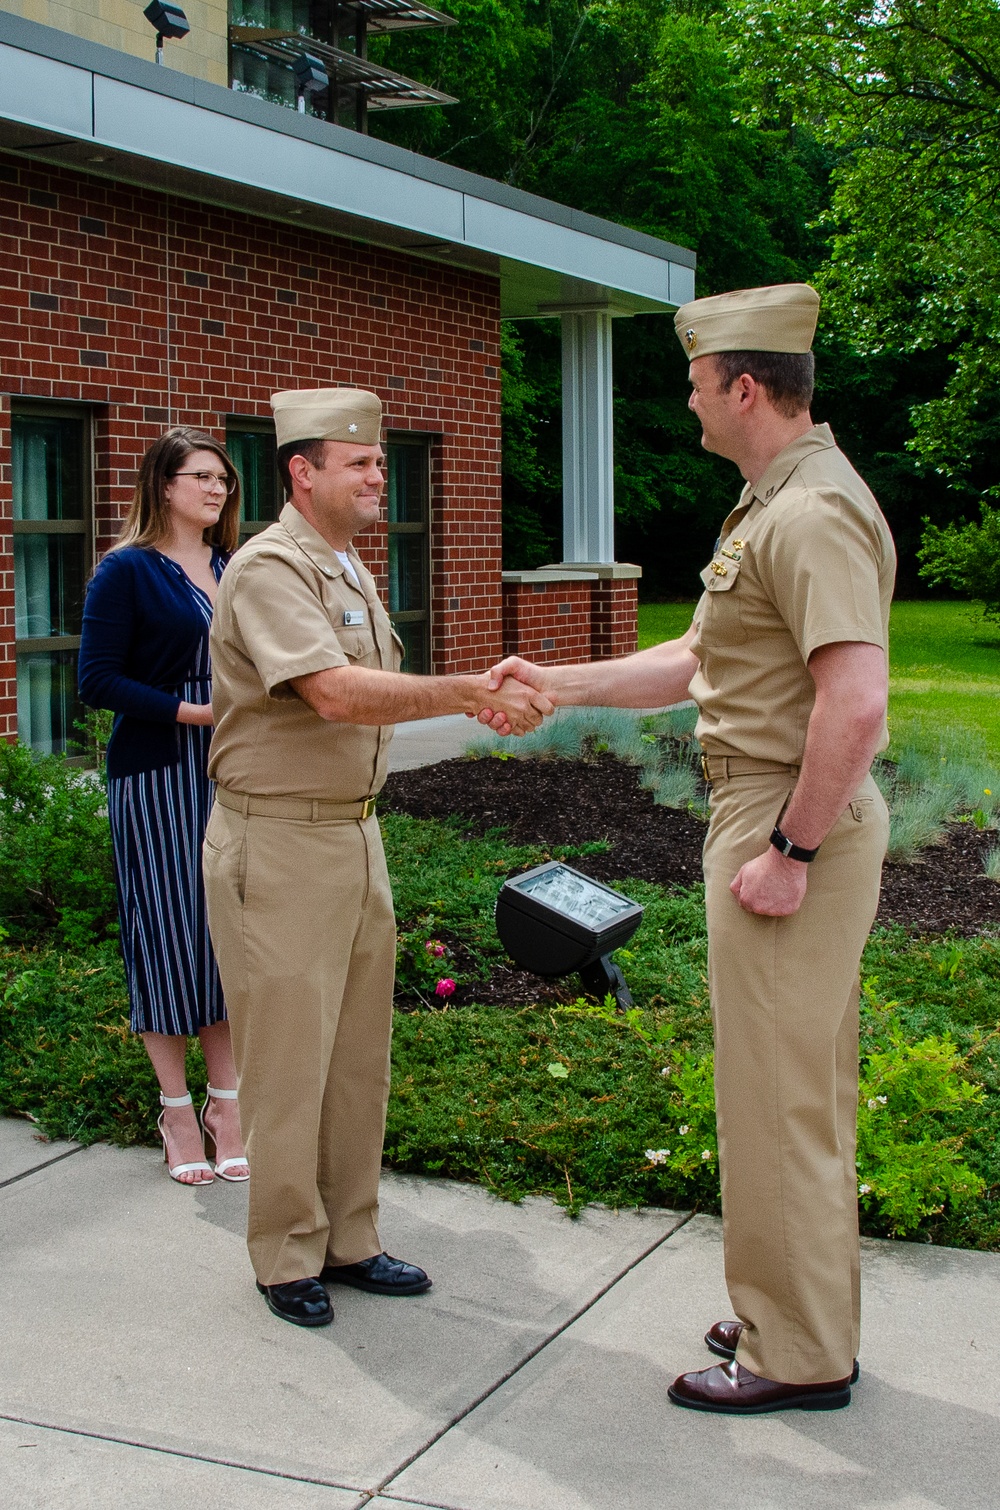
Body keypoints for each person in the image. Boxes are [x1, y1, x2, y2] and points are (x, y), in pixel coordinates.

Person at [482, 284, 895, 1414]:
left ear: (744, 387)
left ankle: (796, 1351)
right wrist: (555, 680)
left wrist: (791, 848)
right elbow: (699, 661)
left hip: (782, 815)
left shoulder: (809, 513)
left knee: (776, 1096)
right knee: (785, 1085)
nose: (690, 404)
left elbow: (853, 703)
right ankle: (787, 1304)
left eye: (696, 385)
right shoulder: (772, 503)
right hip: (767, 807)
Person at [202, 387, 552, 1327]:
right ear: (301, 472)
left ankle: (348, 1239)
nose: (376, 475)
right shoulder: (273, 568)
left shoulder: (347, 566)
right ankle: (284, 1254)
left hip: (352, 834)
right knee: (287, 1058)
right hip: (275, 840)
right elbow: (334, 693)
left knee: (357, 1053)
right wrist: (470, 692)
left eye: (380, 460)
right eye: (358, 462)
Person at [79, 429, 249, 1187]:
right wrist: (192, 714)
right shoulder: (124, 572)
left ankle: (229, 1107)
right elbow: (97, 680)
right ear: (164, 484)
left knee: (227, 932)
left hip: (236, 765)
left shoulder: (236, 567)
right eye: (203, 477)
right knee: (167, 929)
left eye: (224, 479)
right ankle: (176, 1111)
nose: (217, 490)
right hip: (156, 770)